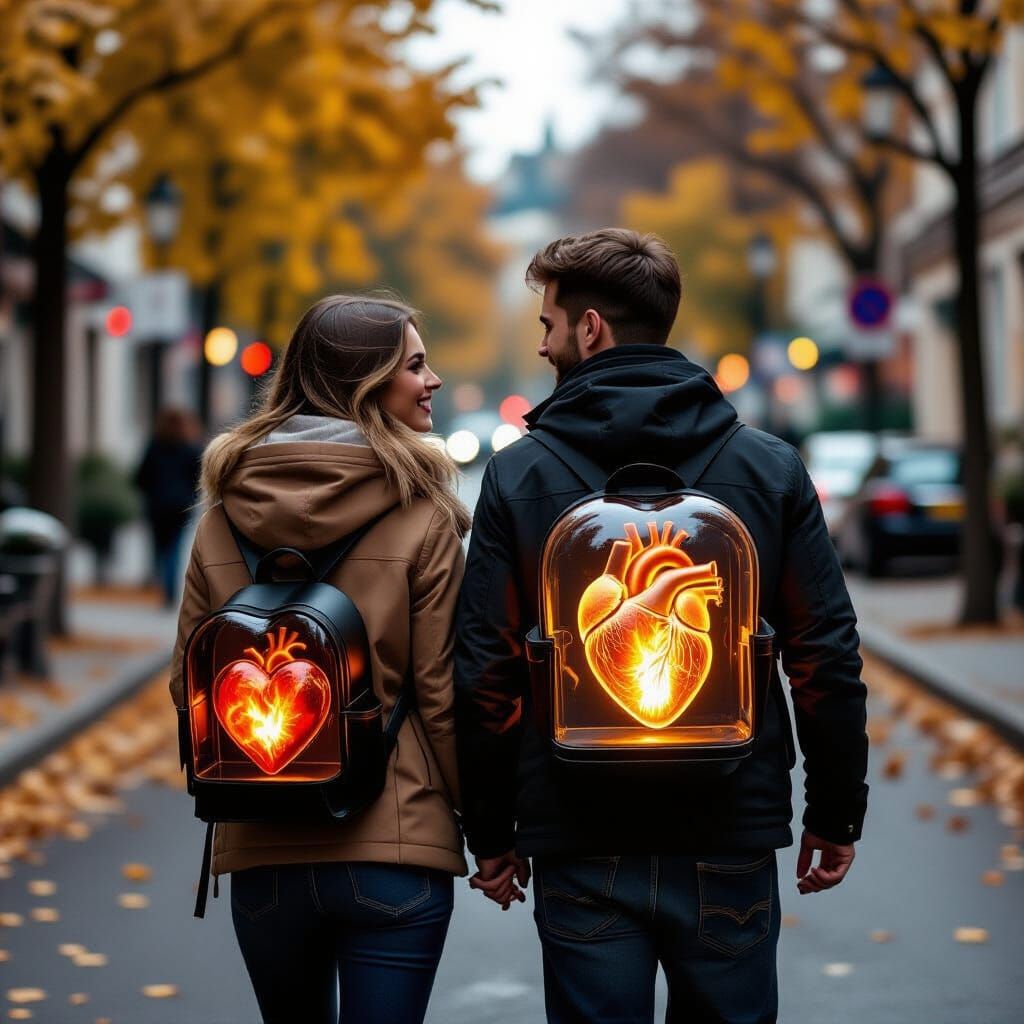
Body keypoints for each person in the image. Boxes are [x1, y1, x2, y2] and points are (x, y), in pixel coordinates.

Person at [454, 229, 869, 1023]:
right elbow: (824, 652)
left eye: (547, 324)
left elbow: (484, 670)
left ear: (590, 329)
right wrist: (834, 810)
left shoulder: (519, 474)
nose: (541, 344)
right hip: (729, 823)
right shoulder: (769, 467)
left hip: (577, 830)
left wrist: (493, 830)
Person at [168, 295, 469, 1024]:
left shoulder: (223, 511)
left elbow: (188, 685)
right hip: (395, 853)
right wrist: (490, 831)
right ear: (366, 383)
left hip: (263, 852)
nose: (432, 381)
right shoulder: (423, 514)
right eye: (416, 365)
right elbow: (440, 696)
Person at [134, 407, 203, 605]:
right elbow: (199, 478)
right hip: (181, 506)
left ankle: (163, 584)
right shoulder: (191, 448)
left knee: (160, 548)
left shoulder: (155, 446)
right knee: (174, 549)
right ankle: (169, 591)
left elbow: (141, 476)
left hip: (157, 506)